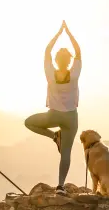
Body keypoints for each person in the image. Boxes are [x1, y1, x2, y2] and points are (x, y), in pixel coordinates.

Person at [24, 21, 81, 192]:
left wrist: (58, 34)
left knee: (29, 122)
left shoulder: (50, 73)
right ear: (70, 61)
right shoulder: (75, 73)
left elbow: (47, 50)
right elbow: (78, 51)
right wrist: (69, 33)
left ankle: (54, 137)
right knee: (66, 154)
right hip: (71, 118)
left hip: (53, 115)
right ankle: (61, 186)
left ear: (56, 60)